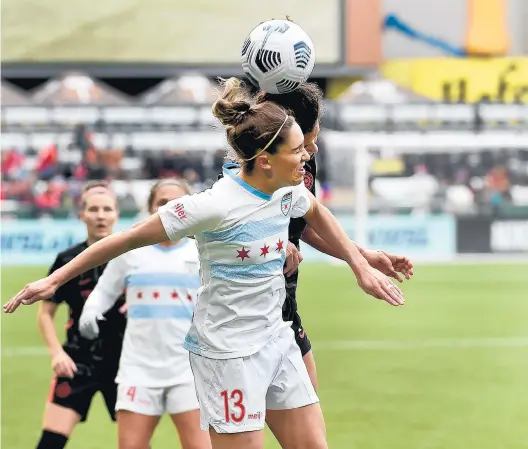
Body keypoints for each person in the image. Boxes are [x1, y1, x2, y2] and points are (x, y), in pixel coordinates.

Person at [5, 78, 405, 449]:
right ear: (265, 160)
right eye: (298, 150)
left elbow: (315, 210)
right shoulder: (211, 206)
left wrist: (360, 263)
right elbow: (122, 241)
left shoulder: (286, 189)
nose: (307, 156)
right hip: (227, 355)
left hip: (276, 339)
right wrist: (53, 281)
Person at [255, 83, 414, 391]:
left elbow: (310, 223)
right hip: (242, 318)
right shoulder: (243, 166)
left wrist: (362, 256)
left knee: (312, 440)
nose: (313, 149)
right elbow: (215, 227)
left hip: (284, 310)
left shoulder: (301, 167)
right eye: (310, 140)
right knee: (243, 438)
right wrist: (272, 242)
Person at [78, 179, 211, 449]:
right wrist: (91, 310)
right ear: (151, 208)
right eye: (162, 202)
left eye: (178, 202)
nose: (170, 207)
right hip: (138, 370)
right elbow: (104, 291)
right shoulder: (130, 250)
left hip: (189, 369)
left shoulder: (204, 252)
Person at [34, 180, 126, 449]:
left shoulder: (133, 255)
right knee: (50, 443)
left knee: (135, 443)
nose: (100, 215)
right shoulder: (67, 260)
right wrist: (56, 353)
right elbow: (45, 312)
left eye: (107, 209)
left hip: (126, 363)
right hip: (78, 362)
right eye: (93, 209)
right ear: (81, 214)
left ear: (116, 215)